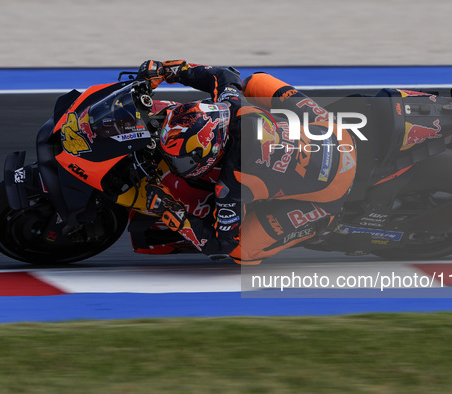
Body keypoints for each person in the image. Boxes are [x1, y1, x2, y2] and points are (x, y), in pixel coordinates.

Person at [136, 60, 357, 264]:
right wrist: (171, 70)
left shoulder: (232, 185)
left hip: (334, 187)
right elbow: (224, 74)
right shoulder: (231, 105)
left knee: (241, 251)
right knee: (253, 82)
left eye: (182, 162)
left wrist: (172, 212)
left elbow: (220, 245)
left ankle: (322, 224)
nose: (175, 165)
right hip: (335, 133)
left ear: (212, 153)